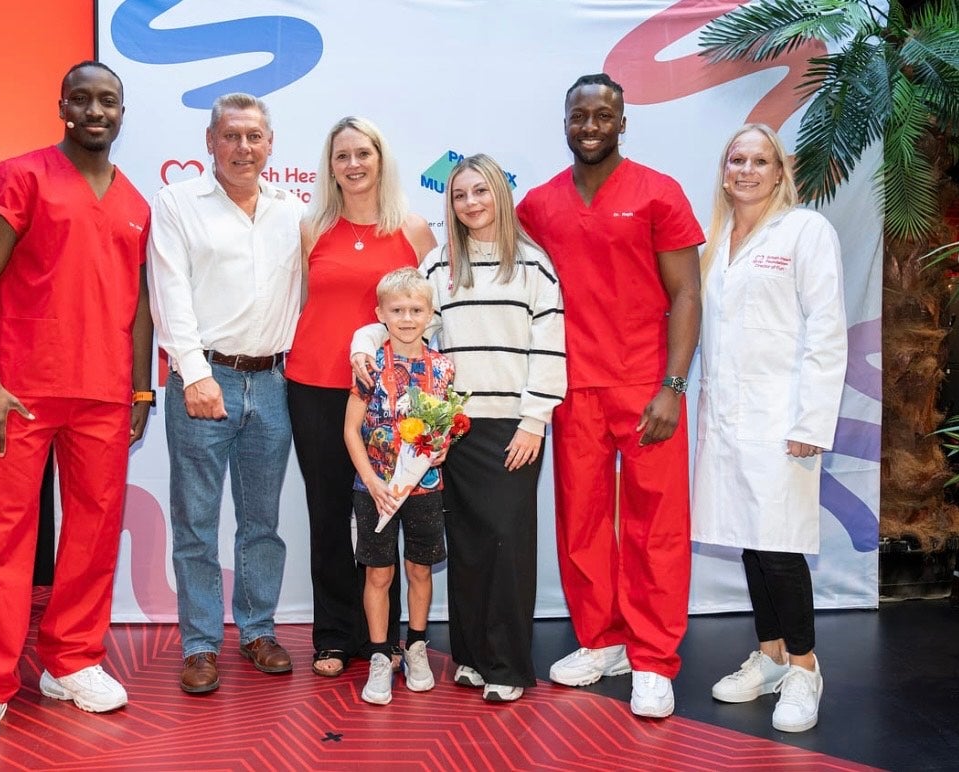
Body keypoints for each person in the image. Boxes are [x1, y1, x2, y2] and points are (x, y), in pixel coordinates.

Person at [0, 61, 153, 754]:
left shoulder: (135, 201)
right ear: (62, 105)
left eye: (108, 101)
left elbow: (140, 303)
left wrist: (140, 388)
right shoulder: (20, 175)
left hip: (104, 394)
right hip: (20, 392)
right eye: (83, 99)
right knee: (0, 537)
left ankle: (71, 661)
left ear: (122, 112)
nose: (96, 111)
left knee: (94, 534)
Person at [515, 72, 702, 718]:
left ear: (623, 123)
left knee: (657, 527)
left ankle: (653, 658)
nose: (590, 126)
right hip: (573, 388)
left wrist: (673, 386)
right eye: (579, 116)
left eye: (602, 116)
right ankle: (603, 640)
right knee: (582, 523)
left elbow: (687, 294)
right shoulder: (538, 204)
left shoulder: (658, 192)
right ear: (565, 123)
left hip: (647, 386)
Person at [353, 154, 566, 702]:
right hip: (450, 429)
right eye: (459, 195)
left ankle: (507, 667)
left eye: (481, 191)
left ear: (500, 194)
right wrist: (361, 344)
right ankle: (470, 657)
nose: (471, 203)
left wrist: (535, 421)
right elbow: (403, 321)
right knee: (467, 545)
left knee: (506, 544)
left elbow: (550, 347)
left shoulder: (534, 265)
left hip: (512, 427)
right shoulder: (439, 265)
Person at [146, 93, 303, 694]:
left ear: (270, 144)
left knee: (262, 522)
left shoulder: (293, 211)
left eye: (254, 136)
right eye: (231, 136)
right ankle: (201, 644)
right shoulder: (177, 202)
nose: (243, 147)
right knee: (196, 522)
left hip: (274, 383)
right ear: (209, 143)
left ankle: (258, 631)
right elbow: (170, 292)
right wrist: (194, 373)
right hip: (203, 380)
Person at [692, 124, 847, 733]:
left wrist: (812, 419)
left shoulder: (806, 231)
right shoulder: (714, 241)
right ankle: (771, 655)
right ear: (724, 170)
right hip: (726, 417)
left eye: (761, 161)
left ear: (780, 172)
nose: (747, 170)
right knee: (750, 540)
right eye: (737, 159)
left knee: (779, 543)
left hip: (783, 417)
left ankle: (805, 667)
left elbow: (826, 330)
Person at [285, 117, 436, 678]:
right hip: (314, 387)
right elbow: (305, 303)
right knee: (327, 512)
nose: (353, 164)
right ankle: (332, 636)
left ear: (381, 158)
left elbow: (428, 314)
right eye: (342, 155)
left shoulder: (413, 230)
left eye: (363, 153)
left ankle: (382, 639)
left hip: (389, 401)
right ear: (330, 167)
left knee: (384, 512)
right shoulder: (312, 228)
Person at [343, 267, 455, 705]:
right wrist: (371, 481)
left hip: (424, 489)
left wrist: (442, 447)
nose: (407, 318)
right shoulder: (368, 364)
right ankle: (379, 655)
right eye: (397, 310)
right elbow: (351, 431)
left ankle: (417, 647)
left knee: (419, 570)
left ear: (430, 314)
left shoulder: (443, 368)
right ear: (380, 314)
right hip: (374, 490)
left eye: (416, 310)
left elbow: (445, 426)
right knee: (379, 573)